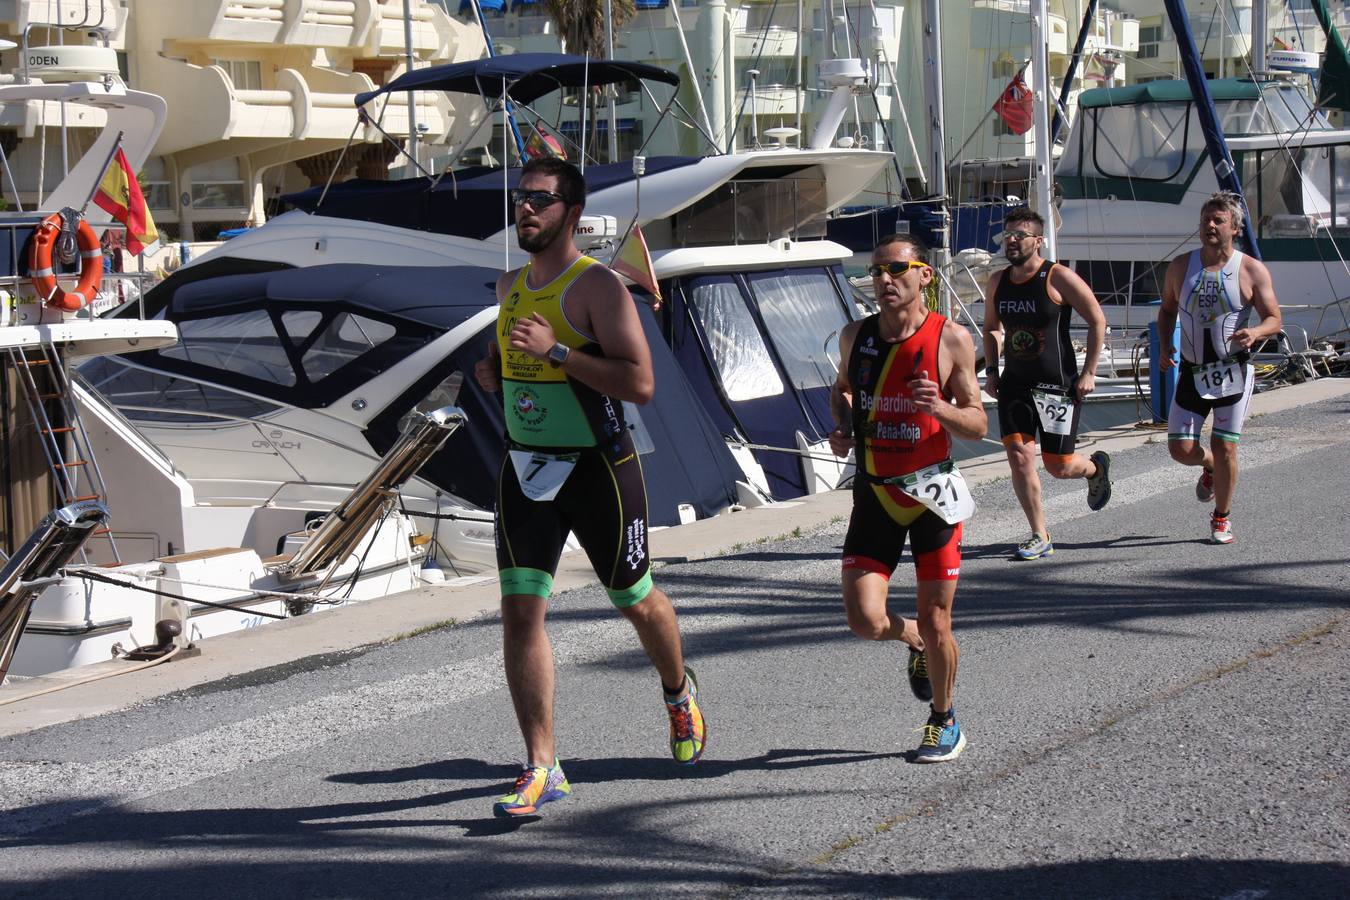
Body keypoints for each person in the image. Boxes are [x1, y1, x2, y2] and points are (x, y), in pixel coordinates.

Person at [473, 157, 706, 818]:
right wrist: (493, 372)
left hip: (598, 467)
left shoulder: (598, 288)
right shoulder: (507, 286)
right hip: (525, 467)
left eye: (539, 201)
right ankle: (542, 765)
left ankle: (677, 691)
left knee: (634, 598)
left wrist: (556, 353)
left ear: (570, 214)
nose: (525, 210)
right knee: (521, 611)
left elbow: (640, 383)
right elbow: (506, 361)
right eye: (520, 199)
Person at [829, 234, 988, 763]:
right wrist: (843, 424)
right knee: (863, 619)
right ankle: (914, 639)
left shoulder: (951, 339)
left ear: (924, 275)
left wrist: (940, 411)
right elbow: (843, 391)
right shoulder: (855, 337)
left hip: (930, 495)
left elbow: (979, 422)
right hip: (875, 493)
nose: (884, 280)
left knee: (940, 617)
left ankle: (944, 720)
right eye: (876, 272)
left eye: (896, 269)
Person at [981, 207, 1113, 560]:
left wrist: (1088, 373)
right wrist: (992, 371)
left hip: (1056, 385)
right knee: (1019, 457)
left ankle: (1095, 468)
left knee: (1059, 466)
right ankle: (1039, 533)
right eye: (1006, 235)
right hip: (1015, 385)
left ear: (1038, 240)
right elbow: (993, 328)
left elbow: (1097, 320)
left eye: (1019, 235)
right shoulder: (998, 281)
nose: (1010, 241)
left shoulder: (1057, 277)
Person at [1157, 191, 1281, 544]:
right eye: (1205, 220)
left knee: (1226, 445)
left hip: (1232, 372)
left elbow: (1274, 318)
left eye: (1218, 220)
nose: (1209, 225)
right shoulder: (1181, 266)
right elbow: (1166, 311)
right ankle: (1210, 466)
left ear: (1235, 228)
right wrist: (1166, 345)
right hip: (1193, 371)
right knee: (1180, 450)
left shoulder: (1251, 269)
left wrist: (1256, 331)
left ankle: (1222, 517)